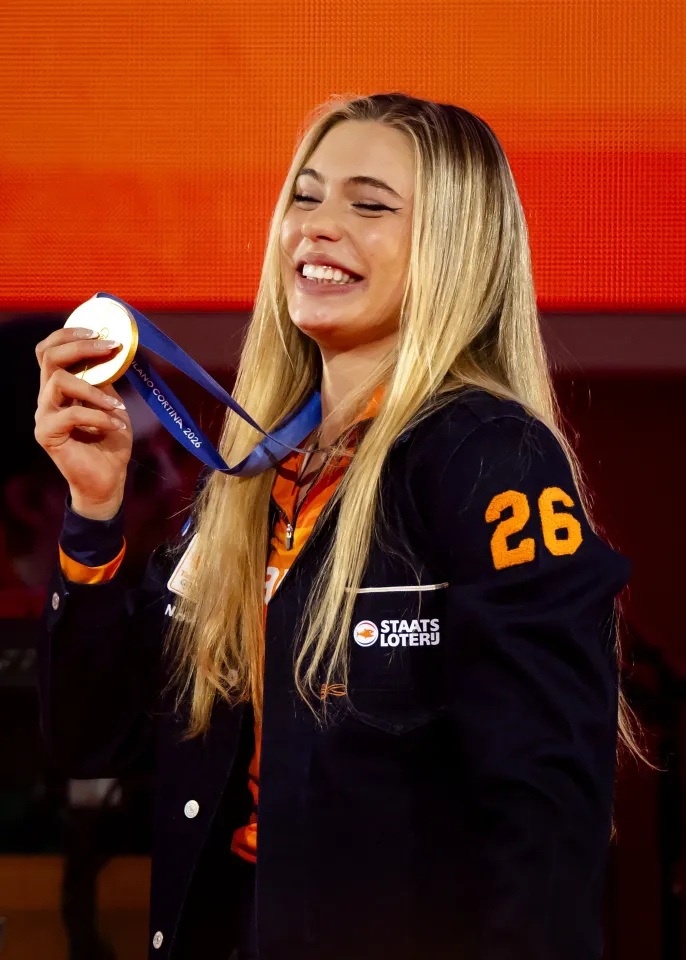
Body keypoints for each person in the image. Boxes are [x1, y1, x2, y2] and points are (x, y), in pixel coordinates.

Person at [34, 94, 635, 960]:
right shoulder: (251, 481)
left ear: (453, 246)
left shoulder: (489, 457)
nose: (317, 226)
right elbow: (96, 735)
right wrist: (94, 513)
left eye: (370, 204)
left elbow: (544, 806)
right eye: (306, 196)